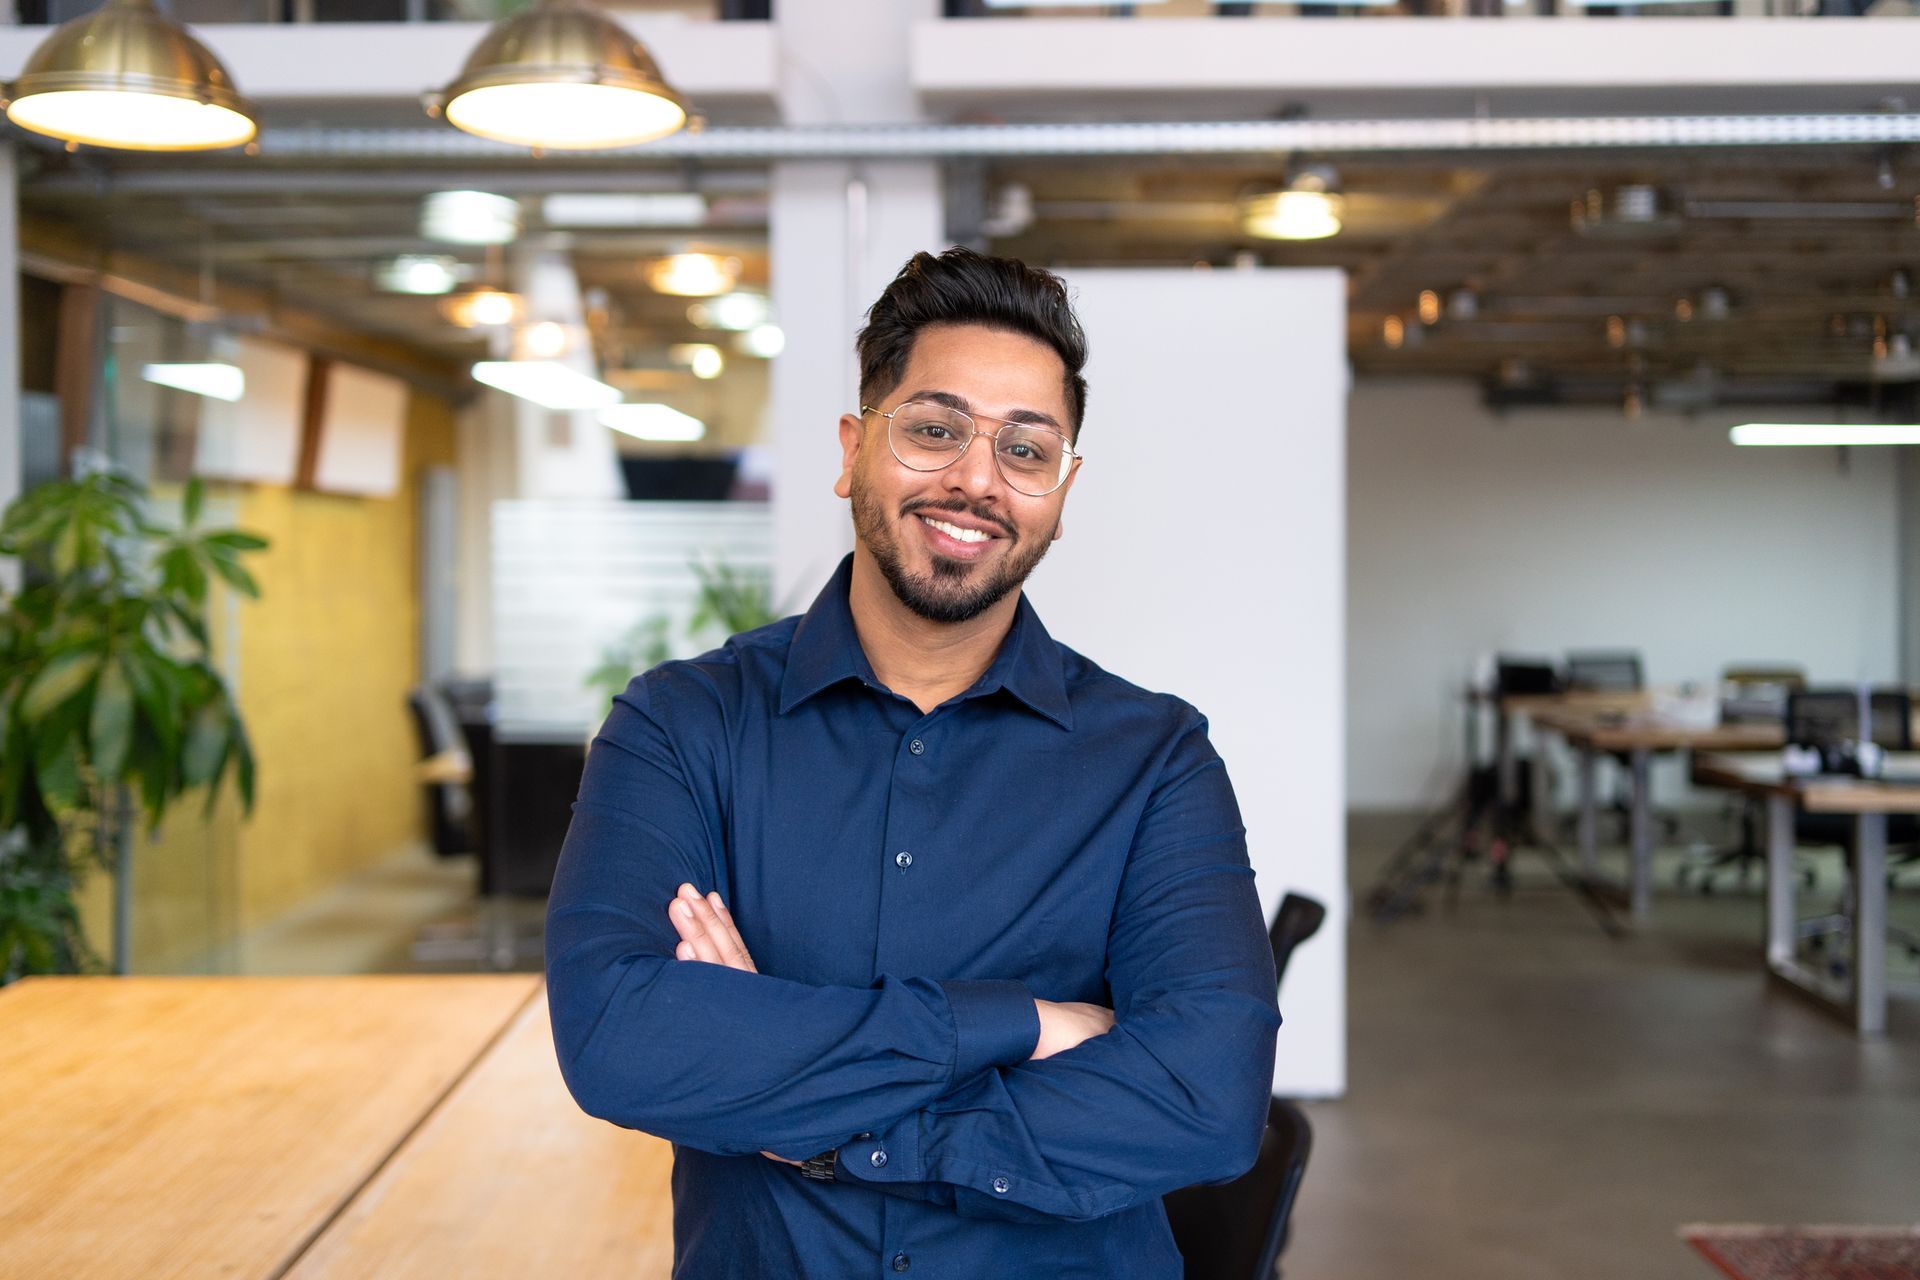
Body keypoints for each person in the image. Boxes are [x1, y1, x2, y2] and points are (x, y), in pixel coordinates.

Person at [546, 246, 1280, 1278]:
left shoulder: (1155, 761)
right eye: (934, 430)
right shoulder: (683, 725)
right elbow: (621, 1036)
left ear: (1060, 492)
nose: (977, 479)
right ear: (854, 451)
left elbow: (1207, 1095)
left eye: (1027, 451)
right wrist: (1024, 1023)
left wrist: (817, 1120)